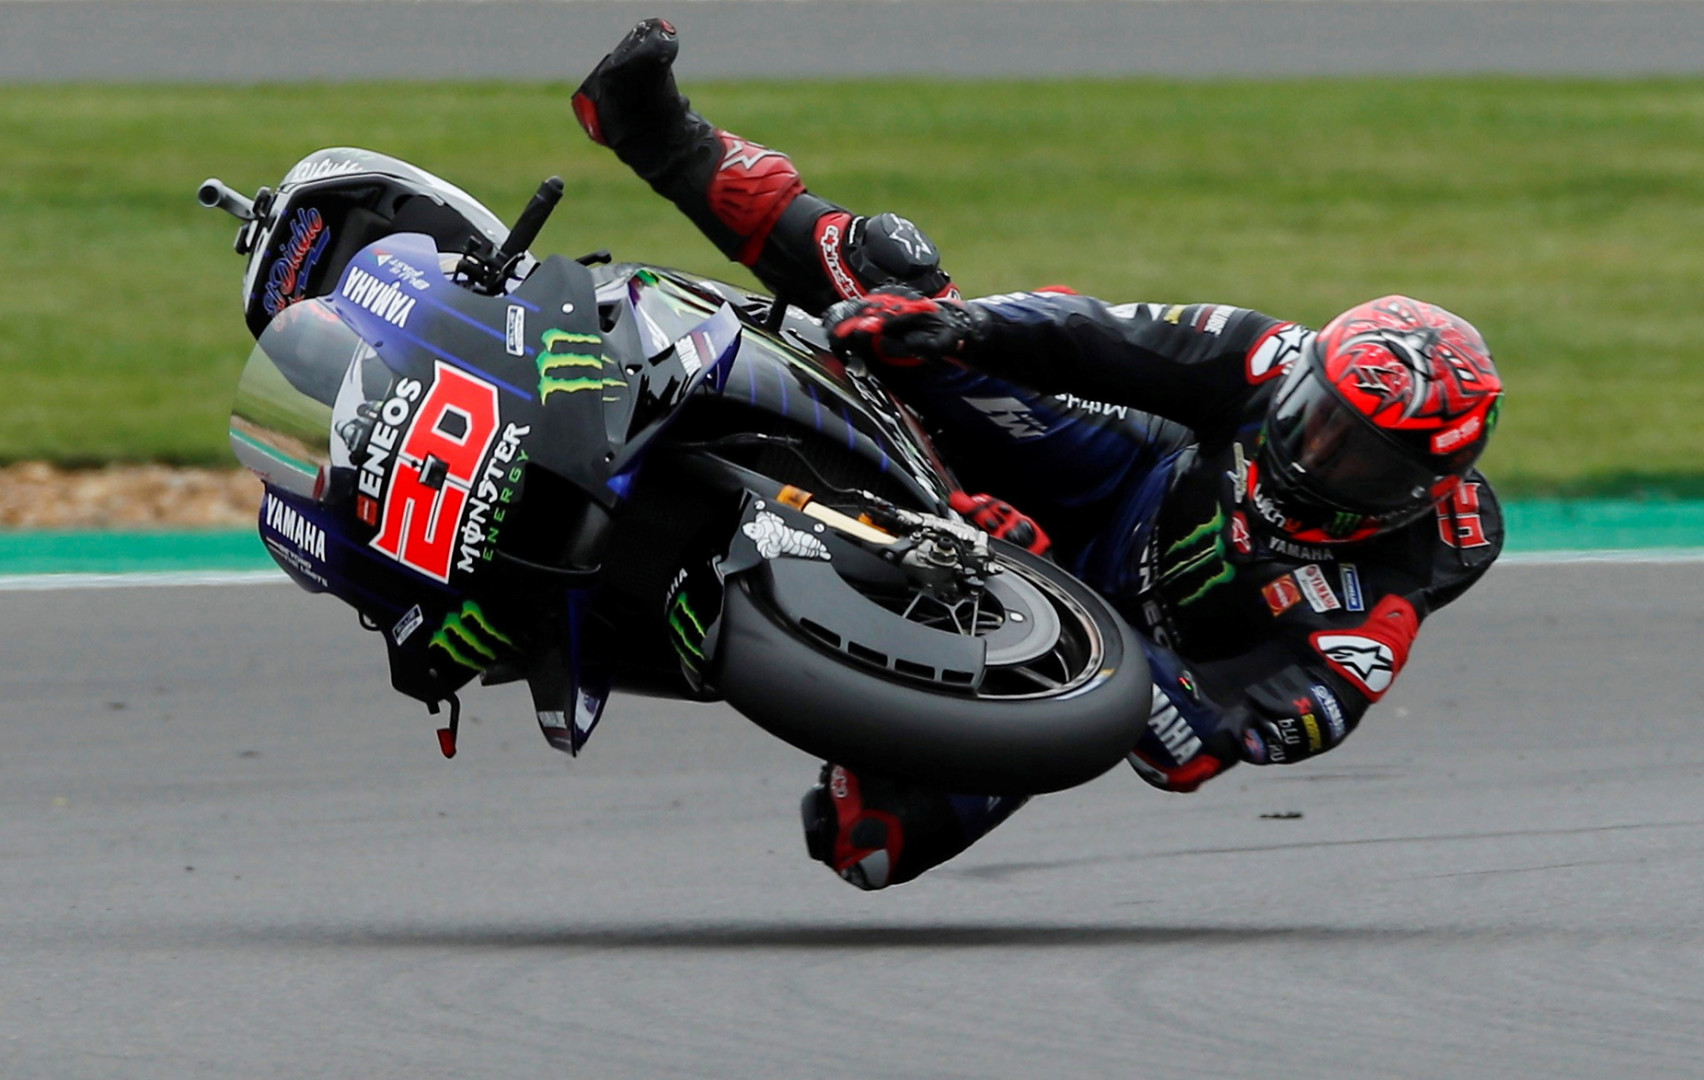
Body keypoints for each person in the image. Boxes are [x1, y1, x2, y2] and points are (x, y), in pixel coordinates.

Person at [574, 20, 1506, 890]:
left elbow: (1187, 751)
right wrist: (954, 324)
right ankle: (653, 130)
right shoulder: (1270, 358)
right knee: (888, 277)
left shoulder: (1371, 613)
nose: (1315, 447)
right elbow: (1096, 335)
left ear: (1417, 490)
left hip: (1104, 660)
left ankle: (725, 605)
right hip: (1116, 472)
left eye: (1358, 458)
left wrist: (1045, 583)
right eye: (1316, 415)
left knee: (864, 844)